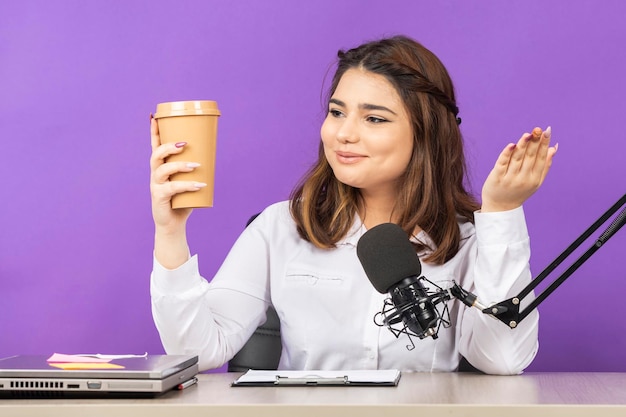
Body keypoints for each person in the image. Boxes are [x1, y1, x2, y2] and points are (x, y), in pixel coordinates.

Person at [149, 35, 557, 375]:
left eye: (374, 119)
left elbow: (503, 359)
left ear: (427, 132)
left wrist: (501, 212)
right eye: (336, 112)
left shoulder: (468, 240)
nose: (344, 134)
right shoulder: (280, 228)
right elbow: (199, 349)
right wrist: (170, 231)